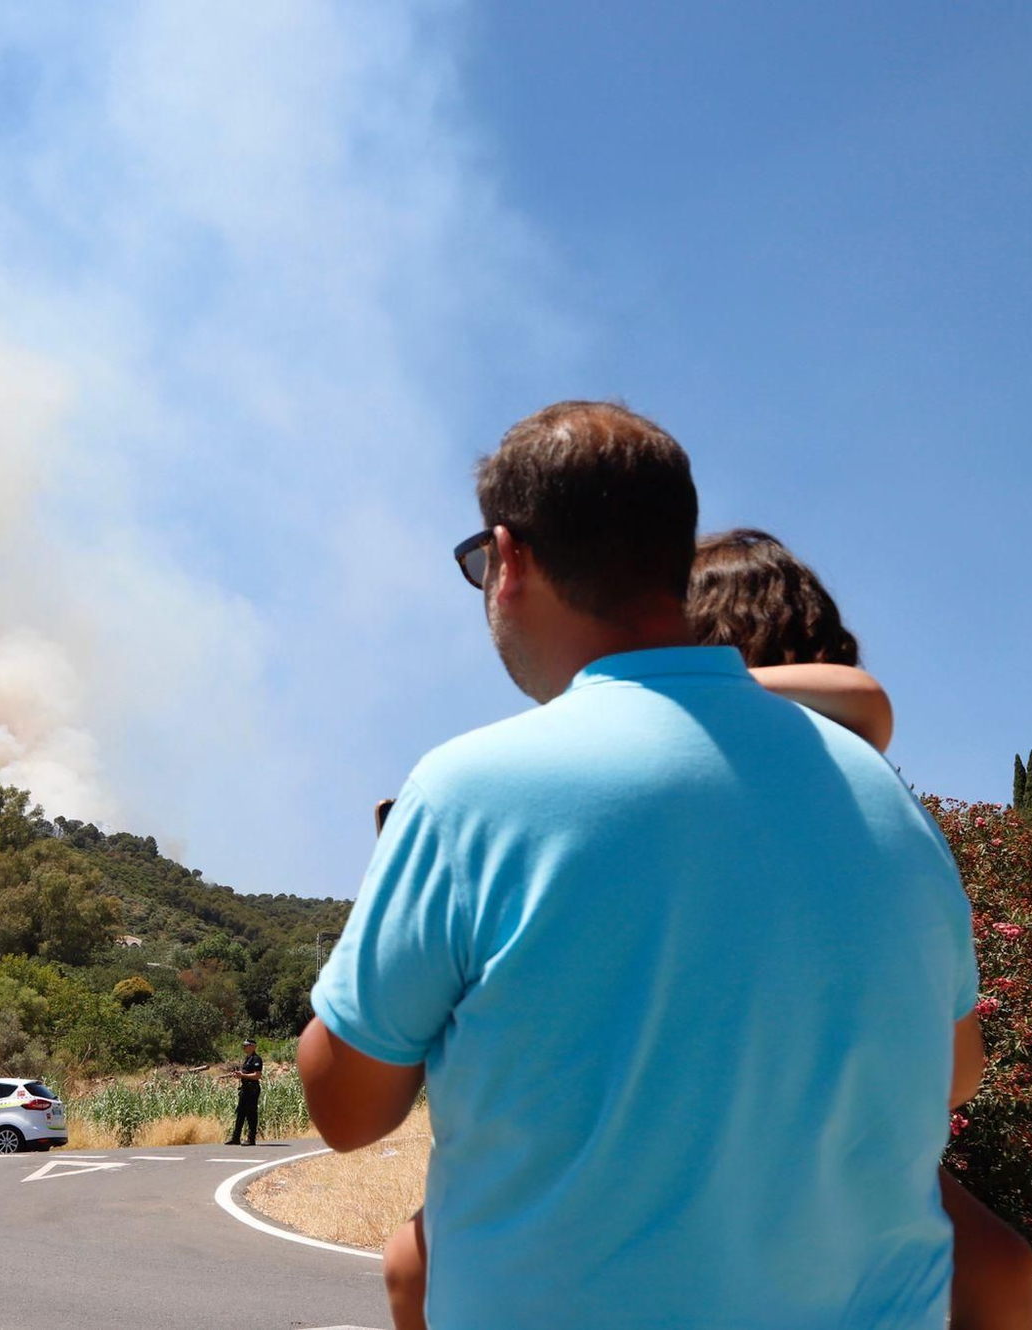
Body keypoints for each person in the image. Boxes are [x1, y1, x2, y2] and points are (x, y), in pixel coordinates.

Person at [300, 402, 980, 1328]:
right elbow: (955, 1070)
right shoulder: (882, 796)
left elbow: (346, 1109)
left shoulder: (469, 791)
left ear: (510, 559)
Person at [226, 1038, 263, 1145]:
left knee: (251, 1114)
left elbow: (257, 1075)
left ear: (253, 1046)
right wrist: (238, 1074)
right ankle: (235, 1137)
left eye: (247, 1045)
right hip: (245, 1088)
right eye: (244, 1045)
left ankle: (251, 1139)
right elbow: (245, 1072)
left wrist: (243, 1075)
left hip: (252, 1089)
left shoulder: (256, 1059)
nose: (244, 1047)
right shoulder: (248, 1059)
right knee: (240, 1113)